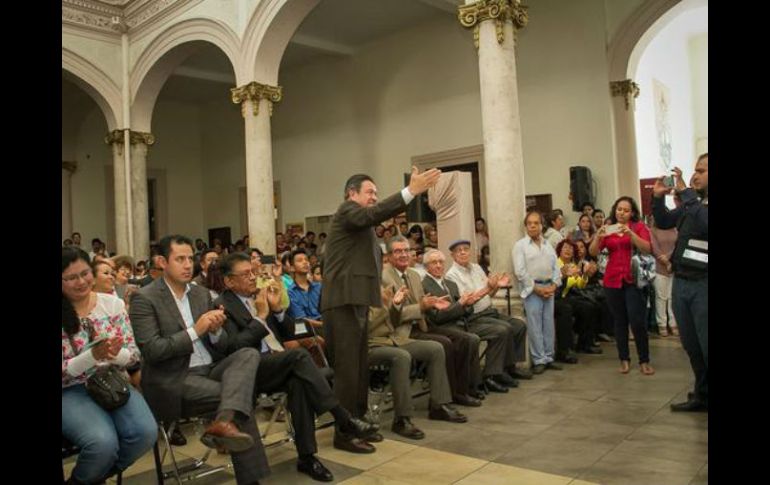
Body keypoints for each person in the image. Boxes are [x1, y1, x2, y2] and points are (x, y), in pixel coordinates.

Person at [214, 253, 377, 480]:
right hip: (247, 371)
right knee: (298, 356)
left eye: (253, 272)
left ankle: (307, 457)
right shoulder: (222, 306)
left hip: (276, 363)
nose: (253, 278)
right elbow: (234, 348)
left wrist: (278, 311)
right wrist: (261, 317)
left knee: (299, 382)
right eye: (245, 274)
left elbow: (291, 332)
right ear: (229, 281)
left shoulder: (258, 297)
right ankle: (342, 417)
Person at [320, 167, 441, 453]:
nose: (374, 197)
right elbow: (373, 215)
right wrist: (411, 191)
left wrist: (379, 294)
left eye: (376, 193)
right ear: (352, 194)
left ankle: (359, 422)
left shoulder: (361, 226)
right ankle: (344, 432)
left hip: (358, 301)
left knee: (359, 369)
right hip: (342, 303)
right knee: (348, 372)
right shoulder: (347, 211)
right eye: (369, 192)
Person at [129, 235, 268, 485]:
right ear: (162, 261)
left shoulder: (201, 294)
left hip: (210, 369)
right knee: (238, 398)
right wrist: (197, 330)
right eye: (179, 259)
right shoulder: (144, 298)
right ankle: (249, 477)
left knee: (248, 353)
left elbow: (224, 345)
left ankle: (223, 422)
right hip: (172, 379)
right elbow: (153, 350)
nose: (187, 265)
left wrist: (215, 331)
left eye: (190, 259)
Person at [62, 247, 157, 485]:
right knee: (101, 443)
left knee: (145, 433)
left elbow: (133, 356)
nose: (81, 282)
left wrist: (114, 355)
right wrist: (92, 355)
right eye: (71, 278)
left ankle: (88, 479)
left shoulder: (111, 304)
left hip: (110, 381)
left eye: (85, 273)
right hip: (70, 390)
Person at [652, 154, 708, 412]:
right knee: (691, 344)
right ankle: (702, 395)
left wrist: (687, 194)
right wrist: (657, 197)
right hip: (682, 282)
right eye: (695, 170)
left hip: (703, 284)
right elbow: (663, 221)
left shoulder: (695, 203)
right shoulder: (691, 204)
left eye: (701, 171)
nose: (694, 175)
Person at [445, 240, 533, 390]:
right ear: (452, 255)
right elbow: (467, 302)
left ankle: (508, 368)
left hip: (489, 311)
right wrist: (488, 288)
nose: (463, 252)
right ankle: (491, 375)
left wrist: (496, 286)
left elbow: (489, 294)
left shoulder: (477, 268)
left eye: (466, 249)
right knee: (503, 330)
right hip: (472, 318)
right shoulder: (451, 275)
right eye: (458, 250)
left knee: (519, 325)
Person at [589, 196, 654, 376]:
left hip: (633, 279)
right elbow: (593, 252)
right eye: (619, 209)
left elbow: (647, 248)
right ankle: (624, 359)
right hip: (612, 279)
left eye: (626, 210)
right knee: (620, 321)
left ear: (632, 212)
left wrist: (631, 234)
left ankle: (644, 360)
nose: (622, 213)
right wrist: (597, 237)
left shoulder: (638, 227)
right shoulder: (608, 228)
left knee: (637, 321)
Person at [512, 211, 562, 374]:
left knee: (549, 324)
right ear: (526, 226)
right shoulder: (520, 246)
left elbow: (556, 267)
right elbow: (520, 271)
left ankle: (549, 356)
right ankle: (539, 359)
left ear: (542, 225)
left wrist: (554, 285)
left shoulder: (548, 244)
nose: (533, 226)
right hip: (532, 290)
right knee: (535, 325)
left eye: (536, 223)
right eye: (529, 223)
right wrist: (537, 288)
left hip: (549, 288)